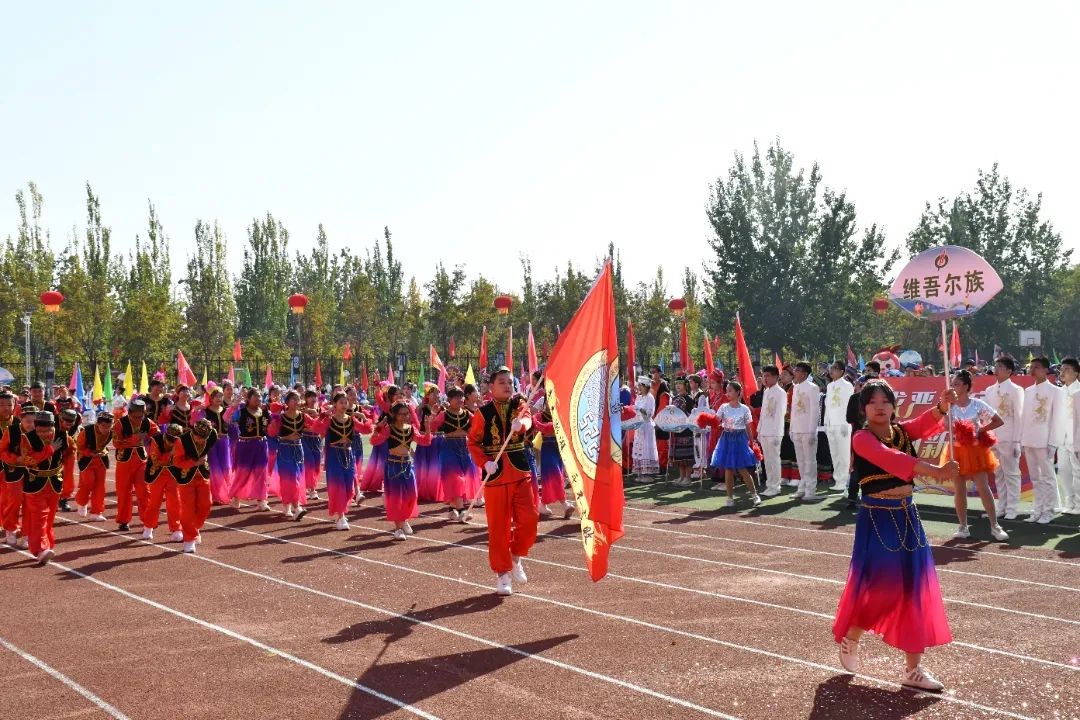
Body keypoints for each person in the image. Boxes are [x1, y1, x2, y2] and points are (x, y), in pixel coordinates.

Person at [833, 380, 959, 692]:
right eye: (872, 402)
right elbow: (893, 459)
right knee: (883, 589)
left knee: (915, 589)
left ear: (893, 406)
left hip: (907, 516)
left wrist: (943, 406)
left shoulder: (901, 430)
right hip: (878, 518)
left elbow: (923, 423)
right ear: (863, 409)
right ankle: (852, 636)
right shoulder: (862, 439)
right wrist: (937, 471)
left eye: (885, 401)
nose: (880, 406)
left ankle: (913, 669)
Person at [466, 367, 539, 596]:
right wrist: (484, 462)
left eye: (509, 382)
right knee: (498, 528)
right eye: (502, 382)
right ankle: (502, 574)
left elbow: (527, 419)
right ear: (491, 387)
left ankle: (516, 556)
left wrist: (522, 425)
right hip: (496, 476)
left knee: (529, 519)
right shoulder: (482, 413)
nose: (507, 386)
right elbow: (473, 442)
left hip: (520, 472)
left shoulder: (519, 405)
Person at [945, 370, 1009, 541]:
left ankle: (995, 526)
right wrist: (946, 409)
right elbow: (944, 426)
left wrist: (980, 430)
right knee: (959, 489)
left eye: (957, 384)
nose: (953, 387)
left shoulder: (977, 404)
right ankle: (963, 527)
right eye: (952, 384)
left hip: (975, 451)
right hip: (956, 450)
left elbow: (998, 420)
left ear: (966, 386)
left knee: (983, 487)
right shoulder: (949, 406)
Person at [308, 392, 373, 530]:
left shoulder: (351, 419)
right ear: (334, 404)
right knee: (338, 486)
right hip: (334, 455)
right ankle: (341, 516)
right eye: (341, 402)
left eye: (345, 402)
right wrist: (324, 415)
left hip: (348, 454)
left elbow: (367, 430)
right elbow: (315, 428)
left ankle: (342, 511)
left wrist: (364, 418)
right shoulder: (330, 420)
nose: (344, 405)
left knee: (349, 486)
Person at [371, 400, 433, 540]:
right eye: (402, 414)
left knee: (412, 495)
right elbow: (374, 441)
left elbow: (425, 441)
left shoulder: (411, 428)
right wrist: (378, 428)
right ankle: (398, 528)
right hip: (393, 466)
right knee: (396, 497)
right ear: (395, 415)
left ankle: (404, 519)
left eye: (407, 414)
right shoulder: (389, 429)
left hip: (407, 465)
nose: (406, 416)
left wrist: (428, 428)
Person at [697, 381, 761, 508]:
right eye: (727, 390)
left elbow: (748, 427)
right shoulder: (724, 407)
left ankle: (754, 495)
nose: (728, 393)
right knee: (728, 469)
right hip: (726, 439)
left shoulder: (744, 409)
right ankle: (730, 497)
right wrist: (705, 419)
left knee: (742, 469)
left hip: (740, 440)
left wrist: (752, 442)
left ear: (738, 392)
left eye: (730, 390)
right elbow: (716, 421)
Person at [20, 412, 72, 565]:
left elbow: (68, 454)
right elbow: (29, 460)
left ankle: (47, 544)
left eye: (47, 431)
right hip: (35, 482)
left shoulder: (62, 436)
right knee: (39, 516)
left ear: (53, 426)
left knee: (49, 518)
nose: (43, 434)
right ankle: (41, 549)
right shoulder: (26, 438)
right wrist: (50, 449)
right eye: (39, 431)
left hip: (55, 481)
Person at [1020, 357, 1064, 524]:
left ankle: (1049, 510)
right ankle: (1038, 509)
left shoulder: (1055, 391)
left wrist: (1053, 442)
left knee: (1047, 477)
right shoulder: (1028, 391)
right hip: (1029, 439)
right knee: (1035, 478)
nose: (1033, 370)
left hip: (1045, 441)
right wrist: (1022, 439)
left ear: (1046, 370)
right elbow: (1024, 417)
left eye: (1037, 367)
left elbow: (1057, 419)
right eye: (1031, 367)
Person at [172, 419, 219, 553]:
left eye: (203, 437)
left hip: (203, 474)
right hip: (186, 477)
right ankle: (189, 539)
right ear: (193, 432)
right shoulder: (182, 441)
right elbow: (176, 462)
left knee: (206, 505)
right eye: (198, 436)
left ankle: (194, 528)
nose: (200, 440)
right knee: (188, 509)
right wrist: (194, 462)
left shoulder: (212, 435)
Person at [430, 387, 476, 521]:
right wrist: (433, 414)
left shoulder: (467, 413)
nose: (460, 399)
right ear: (449, 400)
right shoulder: (443, 414)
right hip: (449, 448)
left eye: (461, 397)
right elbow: (432, 428)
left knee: (463, 477)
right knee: (455, 478)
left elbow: (479, 425)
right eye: (456, 397)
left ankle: (452, 508)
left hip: (464, 448)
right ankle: (461, 510)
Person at [113, 399, 159, 532]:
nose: (139, 419)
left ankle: (148, 520)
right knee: (124, 492)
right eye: (136, 416)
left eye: (141, 416)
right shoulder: (120, 423)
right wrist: (133, 439)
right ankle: (123, 520)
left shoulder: (147, 422)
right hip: (124, 461)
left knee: (144, 491)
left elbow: (156, 433)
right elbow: (116, 442)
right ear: (130, 413)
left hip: (141, 460)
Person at [228, 388, 271, 511]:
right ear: (248, 398)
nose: (259, 398)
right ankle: (236, 497)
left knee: (261, 473)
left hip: (261, 445)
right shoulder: (241, 412)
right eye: (255, 396)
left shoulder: (264, 412)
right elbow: (228, 419)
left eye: (260, 396)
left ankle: (261, 501)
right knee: (243, 473)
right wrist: (233, 408)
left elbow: (270, 426)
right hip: (245, 445)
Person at [531, 399, 575, 519]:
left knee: (557, 476)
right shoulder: (539, 416)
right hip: (547, 448)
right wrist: (554, 425)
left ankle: (543, 504)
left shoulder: (559, 415)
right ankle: (565, 504)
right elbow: (541, 427)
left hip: (559, 449)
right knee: (554, 475)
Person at [267, 390, 308, 520]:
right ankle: (297, 507)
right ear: (287, 402)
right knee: (290, 479)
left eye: (298, 399)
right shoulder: (281, 417)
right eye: (293, 399)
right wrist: (274, 420)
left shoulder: (303, 416)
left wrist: (325, 416)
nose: (296, 401)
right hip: (285, 449)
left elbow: (315, 426)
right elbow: (271, 433)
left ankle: (287, 505)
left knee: (295, 479)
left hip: (298, 449)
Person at [141, 424, 184, 541]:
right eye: (170, 439)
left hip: (173, 475)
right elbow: (156, 461)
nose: (172, 442)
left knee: (175, 502)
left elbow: (182, 460)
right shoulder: (156, 440)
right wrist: (171, 454)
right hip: (157, 474)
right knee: (154, 501)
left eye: (175, 440)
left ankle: (176, 529)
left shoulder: (182, 443)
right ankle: (148, 527)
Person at [790, 362, 821, 501]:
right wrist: (792, 428)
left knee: (810, 461)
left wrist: (812, 431)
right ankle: (802, 488)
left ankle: (811, 490)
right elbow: (793, 410)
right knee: (801, 461)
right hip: (797, 429)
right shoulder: (796, 387)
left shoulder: (813, 388)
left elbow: (815, 410)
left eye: (797, 370)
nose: (795, 372)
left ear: (804, 373)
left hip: (807, 430)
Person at [75, 414, 114, 522]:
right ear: (98, 424)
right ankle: (82, 502)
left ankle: (96, 512)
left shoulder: (113, 431)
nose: (106, 429)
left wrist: (103, 452)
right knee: (88, 483)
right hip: (87, 460)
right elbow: (79, 446)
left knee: (100, 487)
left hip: (101, 460)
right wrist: (90, 453)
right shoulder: (86, 431)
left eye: (109, 426)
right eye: (103, 426)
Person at [824, 362, 854, 494]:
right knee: (834, 453)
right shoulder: (830, 386)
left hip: (842, 424)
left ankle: (845, 481)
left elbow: (848, 405)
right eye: (832, 368)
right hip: (831, 423)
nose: (832, 371)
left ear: (842, 371)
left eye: (835, 368)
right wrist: (826, 422)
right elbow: (828, 406)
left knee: (843, 454)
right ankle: (838, 480)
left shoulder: (847, 385)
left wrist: (846, 423)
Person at [757, 366, 786, 497]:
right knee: (767, 461)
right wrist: (759, 430)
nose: (765, 378)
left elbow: (780, 414)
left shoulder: (780, 393)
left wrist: (776, 433)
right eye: (764, 376)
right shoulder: (766, 391)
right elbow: (763, 413)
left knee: (774, 459)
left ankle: (776, 486)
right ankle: (770, 485)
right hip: (764, 431)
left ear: (775, 376)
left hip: (774, 432)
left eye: (767, 376)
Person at [1055, 357, 1080, 514]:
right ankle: (1069, 502)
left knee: (1078, 472)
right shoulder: (1059, 392)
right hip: (1062, 438)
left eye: (1067, 370)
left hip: (1076, 438)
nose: (1062, 372)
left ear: (1076, 373)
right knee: (1063, 470)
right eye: (1061, 369)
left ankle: (1078, 504)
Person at [630, 377, 659, 482]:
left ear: (646, 386)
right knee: (639, 448)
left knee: (646, 448)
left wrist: (641, 410)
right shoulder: (639, 397)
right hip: (639, 426)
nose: (639, 388)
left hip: (646, 426)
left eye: (641, 386)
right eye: (639, 386)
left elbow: (650, 413)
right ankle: (640, 473)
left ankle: (647, 474)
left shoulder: (650, 397)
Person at [669, 378, 696, 486]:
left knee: (687, 456)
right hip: (677, 430)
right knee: (679, 456)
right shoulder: (674, 399)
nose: (678, 386)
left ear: (685, 385)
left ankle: (688, 478)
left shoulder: (689, 399)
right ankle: (681, 477)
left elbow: (690, 414)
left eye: (680, 384)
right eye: (676, 384)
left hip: (686, 430)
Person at [300, 389, 324, 502]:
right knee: (309, 462)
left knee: (316, 464)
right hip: (305, 439)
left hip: (316, 440)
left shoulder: (319, 410)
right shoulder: (302, 409)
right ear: (306, 398)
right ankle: (312, 490)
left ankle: (307, 485)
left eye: (314, 396)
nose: (313, 399)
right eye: (310, 396)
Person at [56, 408, 81, 512]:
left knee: (68, 474)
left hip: (69, 447)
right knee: (54, 473)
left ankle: (64, 498)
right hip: (53, 447)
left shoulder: (78, 419)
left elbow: (73, 436)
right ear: (61, 419)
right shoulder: (52, 421)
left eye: (71, 423)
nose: (69, 425)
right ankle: (53, 497)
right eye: (66, 422)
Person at [649, 366, 671, 479]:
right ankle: (656, 465)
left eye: (654, 372)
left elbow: (663, 404)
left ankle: (663, 467)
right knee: (654, 444)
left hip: (661, 419)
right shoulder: (650, 385)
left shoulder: (663, 386)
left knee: (662, 443)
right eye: (651, 372)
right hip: (651, 419)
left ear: (659, 373)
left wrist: (657, 419)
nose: (652, 374)